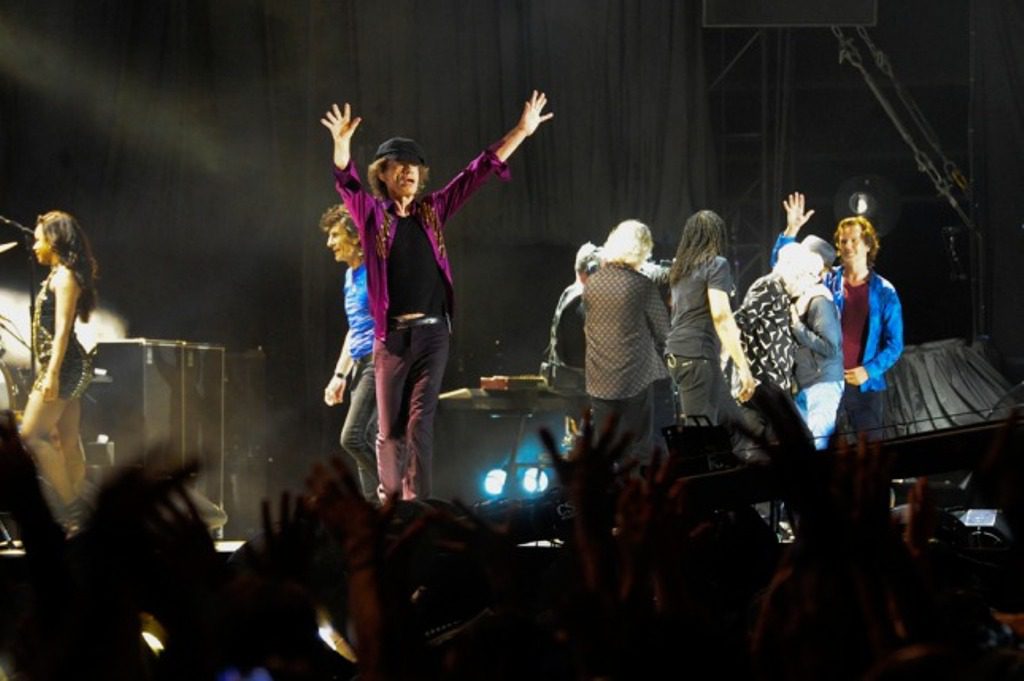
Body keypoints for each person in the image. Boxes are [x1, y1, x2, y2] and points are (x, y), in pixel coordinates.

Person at [322, 91, 553, 500]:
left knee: (419, 425)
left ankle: (418, 506)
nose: (408, 172)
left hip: (432, 335)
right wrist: (341, 146)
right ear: (383, 174)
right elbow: (347, 183)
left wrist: (521, 131)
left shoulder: (432, 212)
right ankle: (393, 505)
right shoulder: (373, 216)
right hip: (391, 339)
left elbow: (478, 171)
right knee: (389, 431)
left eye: (414, 166)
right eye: (399, 165)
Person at [772, 191, 904, 440]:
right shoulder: (826, 280)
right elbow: (782, 269)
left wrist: (869, 371)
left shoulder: (884, 291)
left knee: (869, 451)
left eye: (854, 240)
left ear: (868, 245)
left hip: (864, 387)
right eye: (843, 241)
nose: (848, 246)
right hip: (824, 381)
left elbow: (895, 344)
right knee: (816, 447)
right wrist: (791, 230)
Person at [20, 210, 98, 523]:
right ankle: (80, 515)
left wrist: (51, 374)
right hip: (63, 365)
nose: (34, 246)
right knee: (67, 442)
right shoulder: (57, 275)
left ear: (54, 241)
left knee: (32, 436)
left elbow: (63, 331)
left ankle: (72, 506)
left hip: (65, 367)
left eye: (38, 240)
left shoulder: (65, 277)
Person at [583, 220, 669, 463]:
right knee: (638, 449)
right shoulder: (642, 285)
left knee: (605, 450)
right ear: (642, 250)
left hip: (599, 379)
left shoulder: (592, 284)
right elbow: (664, 330)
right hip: (634, 379)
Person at [665, 210, 756, 433]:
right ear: (717, 236)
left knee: (736, 428)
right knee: (701, 433)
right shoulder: (716, 264)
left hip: (683, 353)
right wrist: (743, 368)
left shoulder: (680, 269)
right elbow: (722, 316)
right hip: (696, 355)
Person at [320, 204, 378, 501]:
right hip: (359, 364)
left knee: (353, 437)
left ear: (355, 237)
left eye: (335, 235)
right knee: (364, 440)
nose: (329, 243)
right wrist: (339, 375)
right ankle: (378, 511)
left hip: (379, 362)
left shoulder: (376, 272)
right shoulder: (349, 276)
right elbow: (354, 329)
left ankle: (399, 494)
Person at [541, 241, 602, 395]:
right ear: (592, 270)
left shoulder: (569, 293)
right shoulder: (584, 302)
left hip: (565, 385)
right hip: (580, 391)